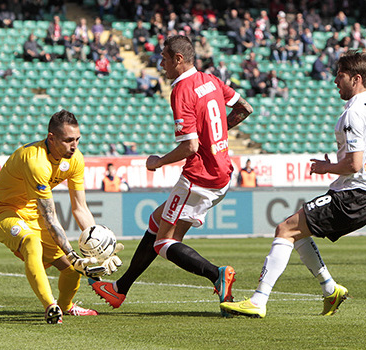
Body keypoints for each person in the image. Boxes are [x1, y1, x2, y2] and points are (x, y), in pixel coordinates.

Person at [220, 50, 366, 318]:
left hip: (354, 195)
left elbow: (354, 164)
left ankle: (258, 300)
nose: (336, 80)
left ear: (356, 78)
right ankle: (330, 289)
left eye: (341, 75)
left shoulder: (355, 113)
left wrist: (327, 168)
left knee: (284, 229)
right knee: (298, 231)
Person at [90, 35, 254, 316]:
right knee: (157, 221)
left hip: (199, 177)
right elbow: (245, 108)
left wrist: (158, 162)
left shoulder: (181, 90)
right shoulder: (210, 79)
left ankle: (218, 273)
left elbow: (190, 146)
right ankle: (120, 289)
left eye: (164, 58)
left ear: (178, 59)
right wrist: (216, 136)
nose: (161, 64)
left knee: (164, 242)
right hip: (222, 172)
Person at [0, 110, 122, 324]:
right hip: (0, 210)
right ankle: (50, 306)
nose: (74, 146)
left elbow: (80, 208)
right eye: (68, 141)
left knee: (72, 270)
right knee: (31, 242)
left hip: (32, 214)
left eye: (77, 140)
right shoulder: (35, 162)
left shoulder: (75, 159)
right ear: (51, 138)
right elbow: (50, 218)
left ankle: (66, 306)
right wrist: (73, 253)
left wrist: (99, 250)